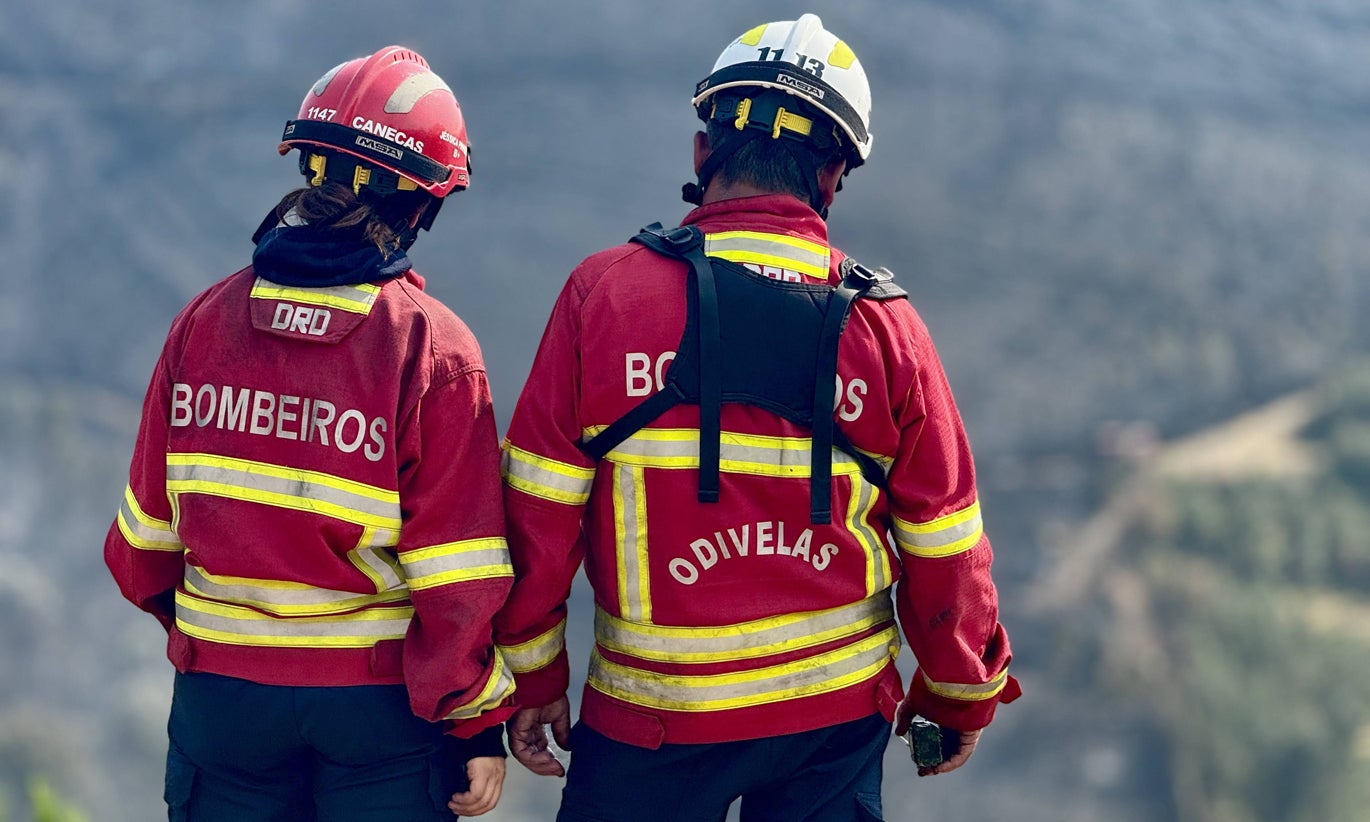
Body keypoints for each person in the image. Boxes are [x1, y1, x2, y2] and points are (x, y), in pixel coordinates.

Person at [493, 14, 1021, 822]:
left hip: (650, 724)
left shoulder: (603, 297)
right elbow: (944, 541)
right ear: (835, 173)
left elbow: (537, 513)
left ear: (704, 152)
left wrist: (533, 678)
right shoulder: (887, 326)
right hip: (834, 723)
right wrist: (957, 690)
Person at [105, 45, 516, 821]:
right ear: (421, 205)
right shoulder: (433, 348)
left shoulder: (203, 323)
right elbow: (456, 573)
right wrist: (476, 717)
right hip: (376, 710)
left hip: (223, 704)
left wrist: (215, 640)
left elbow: (142, 543)